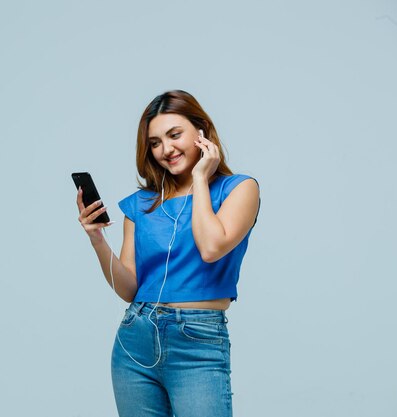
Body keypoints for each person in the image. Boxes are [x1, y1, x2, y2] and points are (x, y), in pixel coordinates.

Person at [76, 90, 260, 417]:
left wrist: (201, 178)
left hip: (198, 341)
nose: (167, 149)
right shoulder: (141, 205)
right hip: (136, 339)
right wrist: (97, 240)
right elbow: (129, 289)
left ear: (202, 131)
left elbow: (211, 247)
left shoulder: (239, 189)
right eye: (156, 142)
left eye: (175, 135)